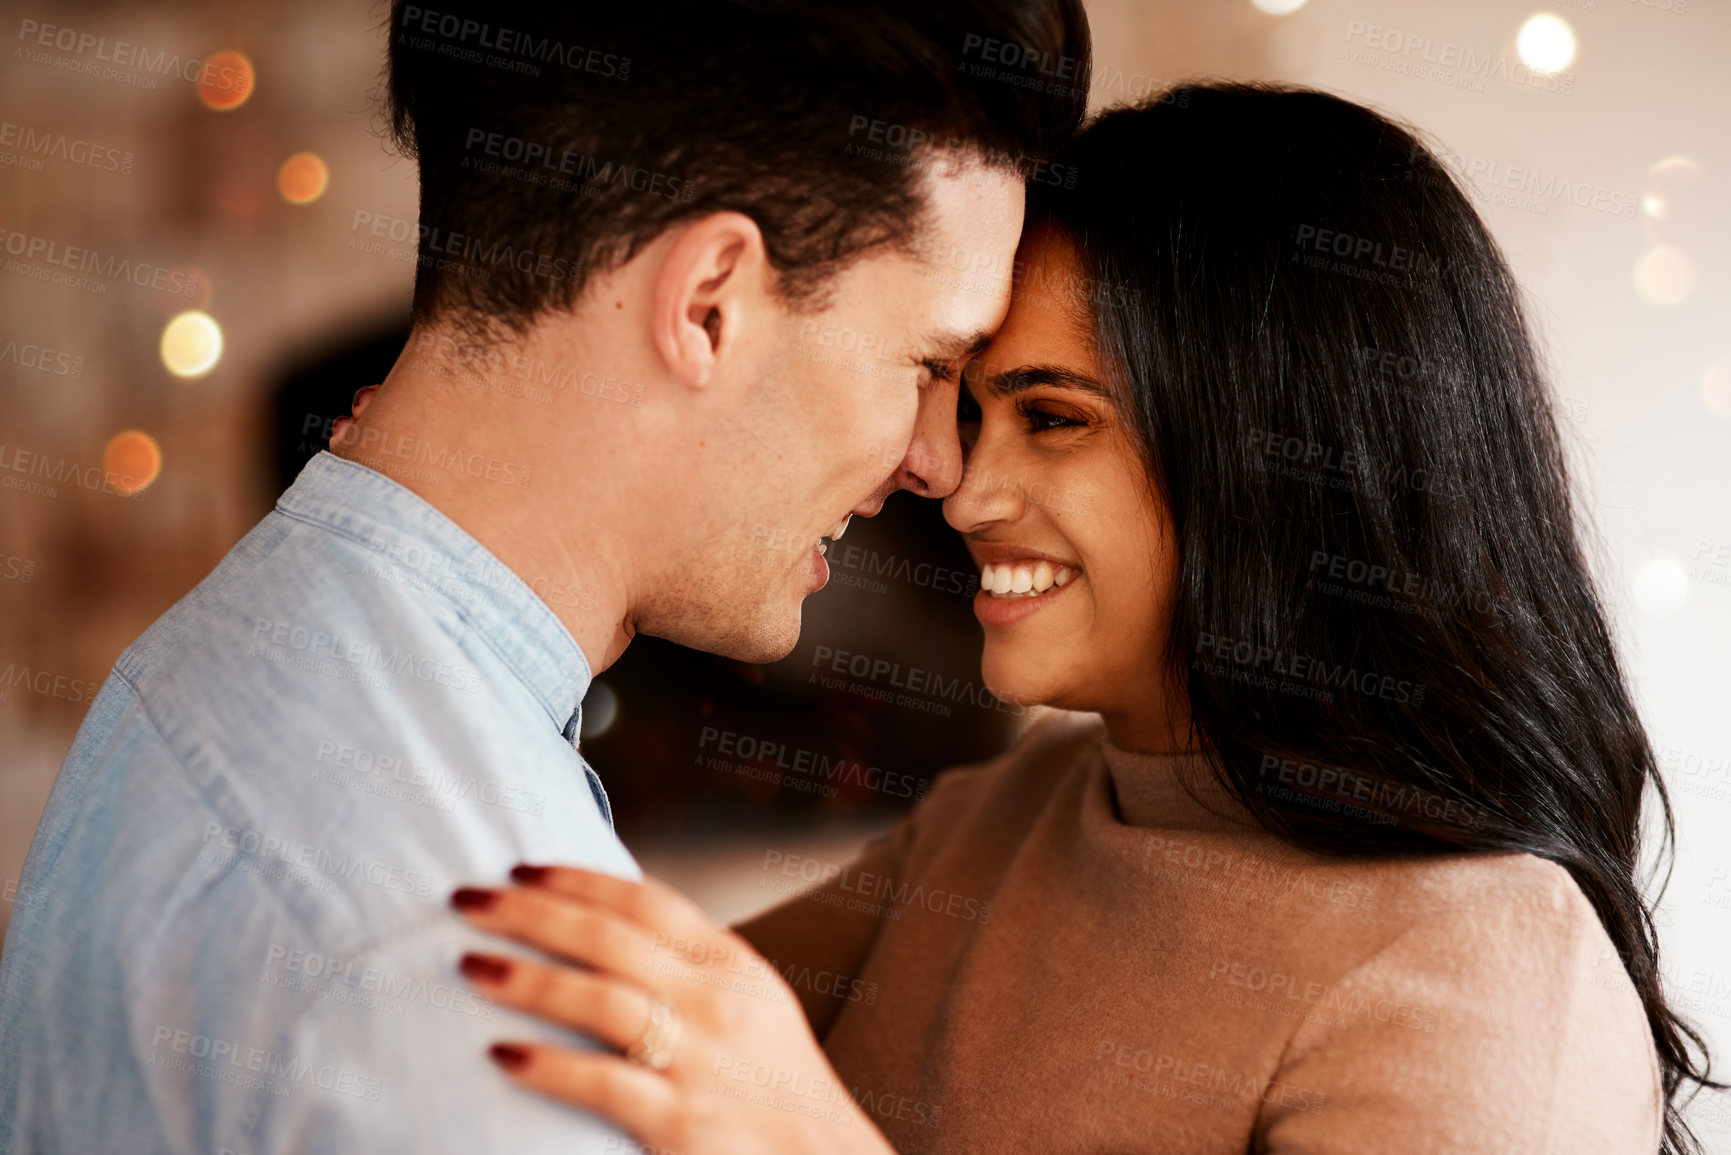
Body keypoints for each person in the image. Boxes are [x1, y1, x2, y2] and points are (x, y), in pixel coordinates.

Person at [449, 85, 1717, 1154]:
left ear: (1283, 457)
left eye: (1052, 419)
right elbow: (619, 1043)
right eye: (971, 409)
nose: (964, 492)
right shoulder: (1020, 806)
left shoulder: (1489, 972)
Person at [0, 2, 1088, 1151]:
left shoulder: (208, 658)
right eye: (926, 363)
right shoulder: (496, 997)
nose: (940, 463)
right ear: (710, 302)